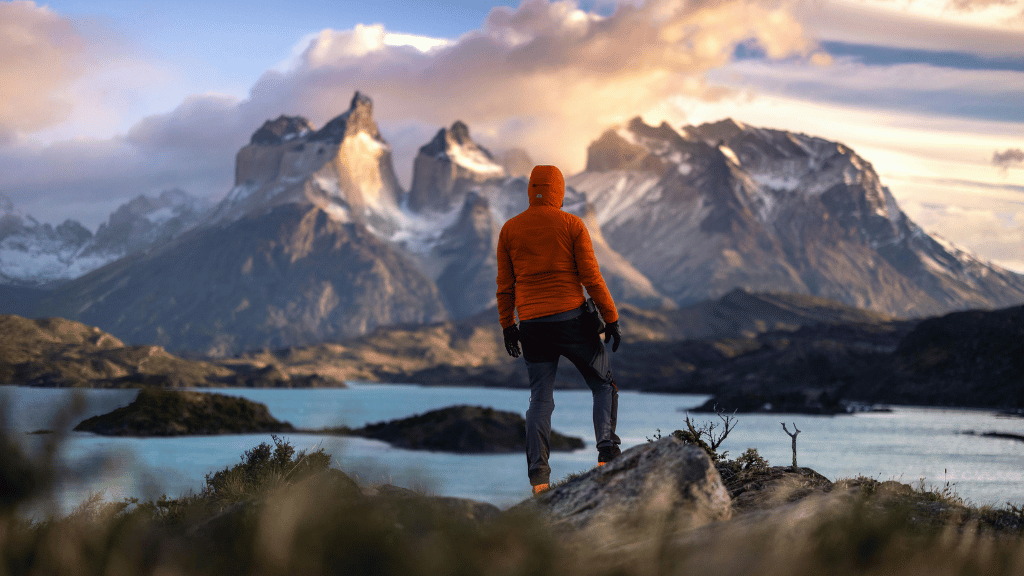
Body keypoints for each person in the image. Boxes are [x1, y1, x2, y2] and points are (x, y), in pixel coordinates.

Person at [496, 164, 622, 495]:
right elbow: (591, 278)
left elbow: (505, 287)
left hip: (532, 326)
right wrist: (611, 318)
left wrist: (508, 326)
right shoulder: (572, 224)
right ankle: (607, 456)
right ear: (559, 192)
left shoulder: (509, 229)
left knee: (540, 399)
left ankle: (539, 479)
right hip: (572, 322)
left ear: (531, 191)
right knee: (603, 384)